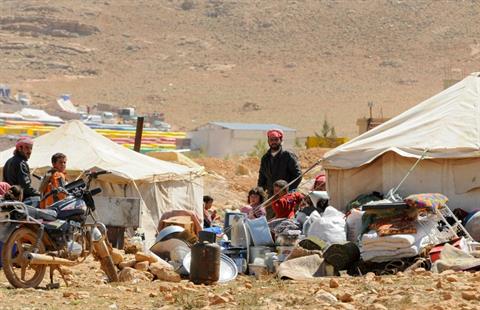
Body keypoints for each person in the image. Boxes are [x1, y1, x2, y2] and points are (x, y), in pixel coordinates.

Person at [257, 129, 302, 218]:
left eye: (276, 140)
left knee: (285, 222)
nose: (273, 142)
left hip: (286, 198)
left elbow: (298, 175)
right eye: (271, 140)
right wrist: (260, 194)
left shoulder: (288, 155)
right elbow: (262, 177)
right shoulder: (265, 158)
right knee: (269, 222)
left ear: (281, 140)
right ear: (268, 141)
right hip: (271, 197)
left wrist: (288, 191)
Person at [3, 136, 40, 202]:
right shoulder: (21, 163)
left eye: (31, 148)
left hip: (9, 200)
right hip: (19, 201)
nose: (30, 151)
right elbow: (25, 187)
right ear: (19, 148)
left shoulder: (8, 161)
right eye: (27, 148)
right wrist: (40, 193)